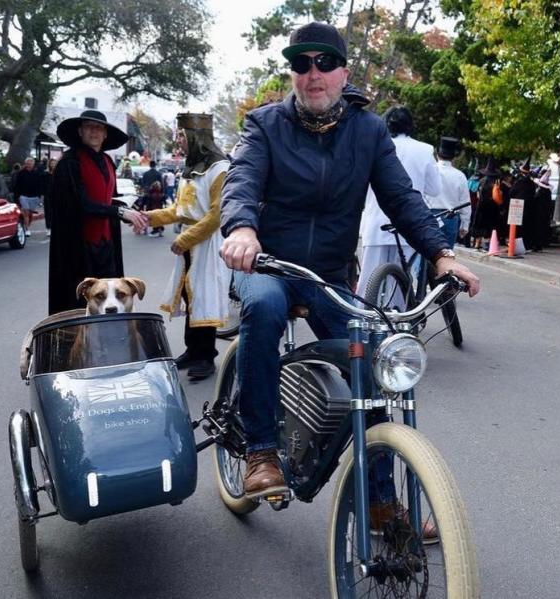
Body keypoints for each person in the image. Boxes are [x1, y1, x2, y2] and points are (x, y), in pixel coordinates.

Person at [219, 23, 481, 515]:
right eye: (301, 64)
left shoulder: (369, 131)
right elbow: (243, 182)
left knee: (378, 364)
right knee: (264, 306)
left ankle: (379, 500)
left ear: (343, 72)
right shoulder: (264, 124)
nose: (312, 74)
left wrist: (442, 256)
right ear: (293, 73)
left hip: (328, 276)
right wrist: (242, 230)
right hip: (268, 263)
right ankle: (260, 450)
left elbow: (403, 200)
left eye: (323, 63)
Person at [144, 113, 231, 380]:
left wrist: (184, 239)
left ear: (196, 136)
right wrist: (149, 217)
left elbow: (216, 215)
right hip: (192, 245)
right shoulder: (190, 168)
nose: (178, 140)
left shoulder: (220, 168)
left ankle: (206, 357)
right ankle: (193, 350)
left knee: (204, 298)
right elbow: (180, 209)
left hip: (209, 243)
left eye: (181, 135)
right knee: (189, 298)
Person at [46, 110, 149, 315]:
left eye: (99, 128)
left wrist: (130, 212)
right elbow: (78, 204)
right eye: (88, 127)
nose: (94, 132)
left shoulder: (108, 162)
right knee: (77, 302)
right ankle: (75, 344)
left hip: (106, 245)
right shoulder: (69, 162)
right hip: (78, 247)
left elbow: (107, 199)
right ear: (80, 131)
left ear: (105, 134)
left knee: (110, 298)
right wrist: (119, 212)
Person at [357, 105, 441, 298]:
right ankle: (397, 321)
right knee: (402, 281)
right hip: (408, 223)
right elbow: (434, 189)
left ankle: (362, 323)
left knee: (368, 280)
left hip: (375, 222)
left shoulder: (373, 145)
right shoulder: (424, 150)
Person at [425, 136, 471, 247]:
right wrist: (465, 225)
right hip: (450, 218)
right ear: (453, 157)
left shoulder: (429, 170)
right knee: (446, 256)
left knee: (425, 253)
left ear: (437, 154)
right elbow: (465, 202)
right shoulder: (460, 176)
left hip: (430, 216)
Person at [470, 158, 507, 250]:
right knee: (491, 225)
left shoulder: (482, 181)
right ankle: (488, 244)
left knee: (479, 224)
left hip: (481, 205)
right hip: (492, 206)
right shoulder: (497, 182)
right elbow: (499, 195)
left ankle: (477, 243)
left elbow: (478, 194)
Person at [509, 157, 537, 251]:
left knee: (518, 228)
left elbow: (511, 193)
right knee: (527, 227)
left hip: (518, 207)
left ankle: (516, 246)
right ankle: (527, 245)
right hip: (529, 208)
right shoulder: (532, 184)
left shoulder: (519, 182)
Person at [13, 157, 45, 236]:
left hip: (34, 196)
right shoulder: (21, 173)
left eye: (30, 163)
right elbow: (17, 185)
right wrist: (17, 196)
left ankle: (27, 226)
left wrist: (40, 195)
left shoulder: (37, 173)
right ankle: (26, 229)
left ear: (33, 164)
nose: (29, 164)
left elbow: (41, 184)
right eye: (27, 163)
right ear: (25, 164)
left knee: (30, 214)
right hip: (24, 196)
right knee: (26, 212)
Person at [42, 157, 58, 237]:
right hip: (47, 195)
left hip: (57, 195)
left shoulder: (59, 173)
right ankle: (48, 228)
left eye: (54, 163)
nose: (53, 164)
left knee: (57, 212)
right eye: (52, 163)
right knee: (48, 212)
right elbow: (42, 185)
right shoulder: (45, 174)